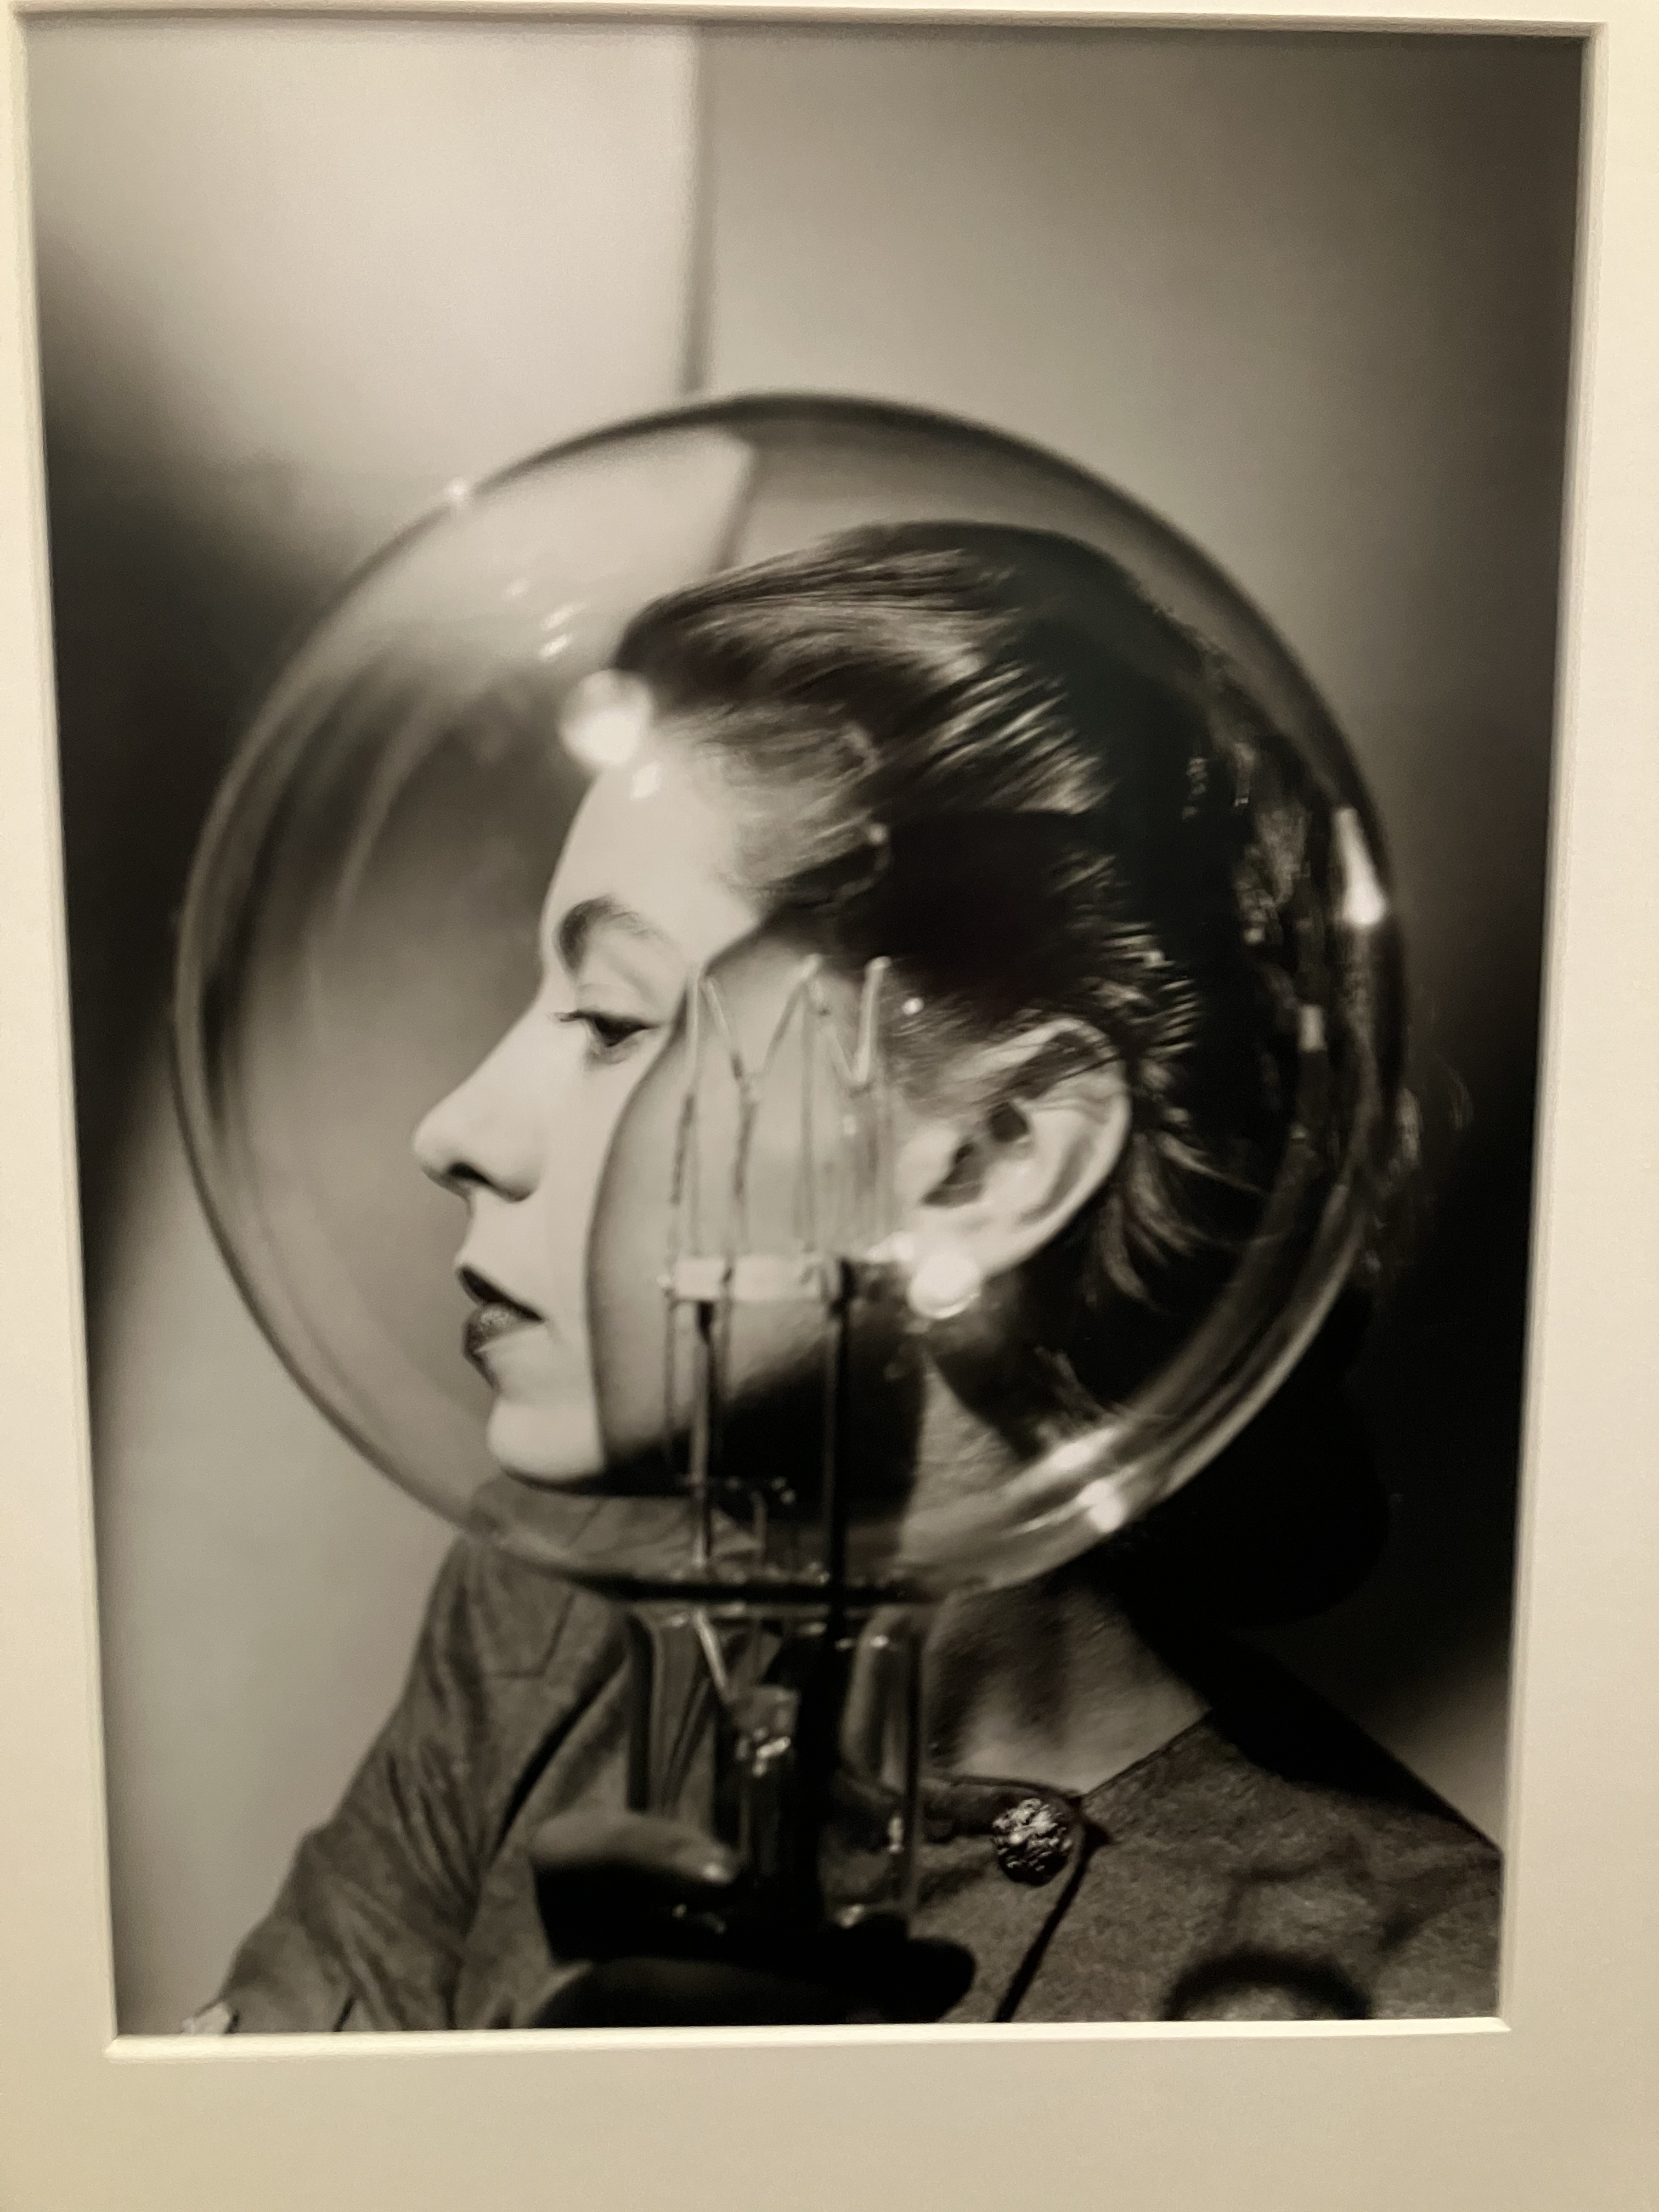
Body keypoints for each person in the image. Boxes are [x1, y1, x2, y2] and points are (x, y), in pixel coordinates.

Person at [191, 523, 1499, 2034]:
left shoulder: (1420, 1981)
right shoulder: (542, 1614)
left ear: (994, 1158)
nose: (456, 1130)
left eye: (612, 1023)